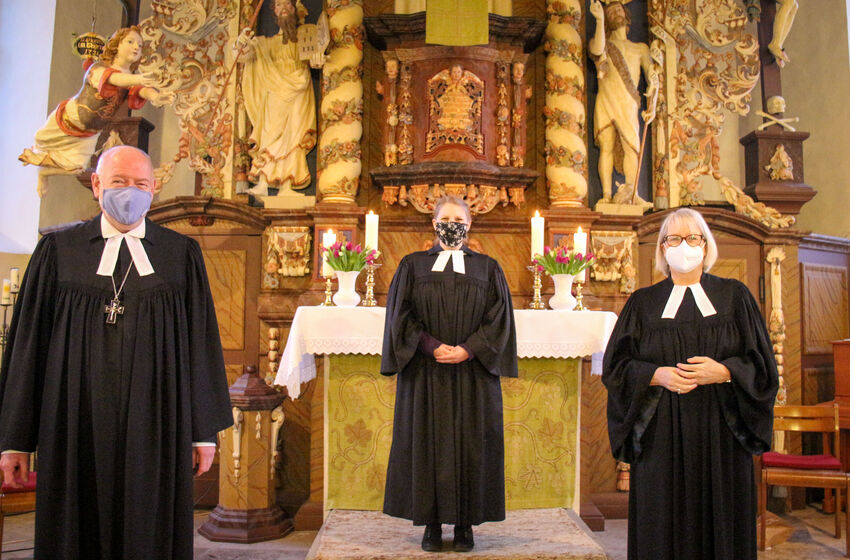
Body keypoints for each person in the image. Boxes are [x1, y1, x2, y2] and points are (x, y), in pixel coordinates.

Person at [0, 146, 233, 559]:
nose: (130, 192)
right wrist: (14, 441)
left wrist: (203, 432)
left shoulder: (179, 255)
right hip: (72, 421)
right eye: (119, 182)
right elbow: (27, 348)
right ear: (96, 185)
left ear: (154, 189)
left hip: (156, 422)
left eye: (141, 184)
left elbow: (202, 344)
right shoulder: (59, 252)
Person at [602, 208, 778, 560]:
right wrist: (656, 374)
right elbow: (616, 367)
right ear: (663, 248)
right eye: (674, 238)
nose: (684, 245)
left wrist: (725, 371)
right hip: (660, 435)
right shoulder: (643, 303)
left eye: (693, 237)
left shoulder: (735, 296)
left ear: (706, 244)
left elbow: (763, 365)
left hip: (722, 433)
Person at [381, 195, 517, 553]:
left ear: (469, 225)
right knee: (426, 444)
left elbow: (499, 318)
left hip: (473, 374)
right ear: (434, 223)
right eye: (445, 218)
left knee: (471, 445)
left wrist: (469, 348)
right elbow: (400, 316)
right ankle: (430, 524)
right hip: (426, 373)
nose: (452, 224)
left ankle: (465, 525)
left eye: (459, 219)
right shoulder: (412, 266)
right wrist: (430, 345)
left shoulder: (488, 268)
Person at [19, 26, 173, 187]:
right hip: (68, 118)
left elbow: (141, 91)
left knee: (76, 168)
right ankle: (39, 164)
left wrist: (157, 96)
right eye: (130, 42)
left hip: (89, 133)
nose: (136, 47)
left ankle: (44, 172)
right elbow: (114, 79)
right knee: (41, 142)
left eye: (140, 46)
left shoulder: (130, 79)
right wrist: (139, 79)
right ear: (116, 45)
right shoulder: (98, 68)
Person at [236, 0, 320, 197]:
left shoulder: (306, 38)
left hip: (299, 92)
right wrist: (241, 43)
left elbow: (316, 58)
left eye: (287, 5)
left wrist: (318, 59)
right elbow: (243, 56)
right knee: (270, 136)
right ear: (274, 12)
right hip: (274, 93)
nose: (283, 9)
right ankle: (264, 182)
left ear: (294, 9)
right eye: (279, 5)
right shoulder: (266, 43)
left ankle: (287, 187)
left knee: (294, 138)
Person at [588, 0, 656, 205]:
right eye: (611, 12)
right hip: (606, 100)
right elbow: (598, 50)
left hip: (628, 103)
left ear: (626, 15)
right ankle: (607, 195)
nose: (615, 13)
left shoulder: (640, 48)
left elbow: (652, 78)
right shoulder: (603, 42)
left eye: (619, 10)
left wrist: (652, 104)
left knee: (631, 148)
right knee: (606, 147)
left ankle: (632, 194)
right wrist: (599, 20)